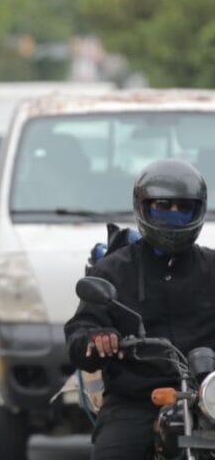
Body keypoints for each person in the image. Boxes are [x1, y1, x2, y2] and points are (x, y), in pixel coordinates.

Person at [65, 158, 215, 459]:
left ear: (198, 211)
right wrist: (97, 338)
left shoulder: (212, 268)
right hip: (136, 402)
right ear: (143, 207)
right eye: (163, 206)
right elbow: (79, 333)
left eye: (184, 208)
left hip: (208, 397)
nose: (173, 214)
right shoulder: (113, 271)